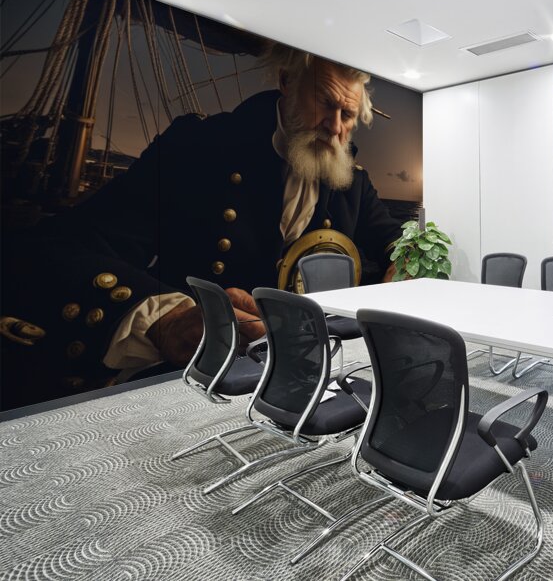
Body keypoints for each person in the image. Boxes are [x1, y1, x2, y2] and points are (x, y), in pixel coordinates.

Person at [1, 49, 402, 409]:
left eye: (347, 115)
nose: (335, 127)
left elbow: (391, 241)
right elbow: (65, 246)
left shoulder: (353, 181)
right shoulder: (199, 145)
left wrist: (404, 265)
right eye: (324, 102)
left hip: (298, 367)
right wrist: (167, 318)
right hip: (195, 368)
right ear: (286, 82)